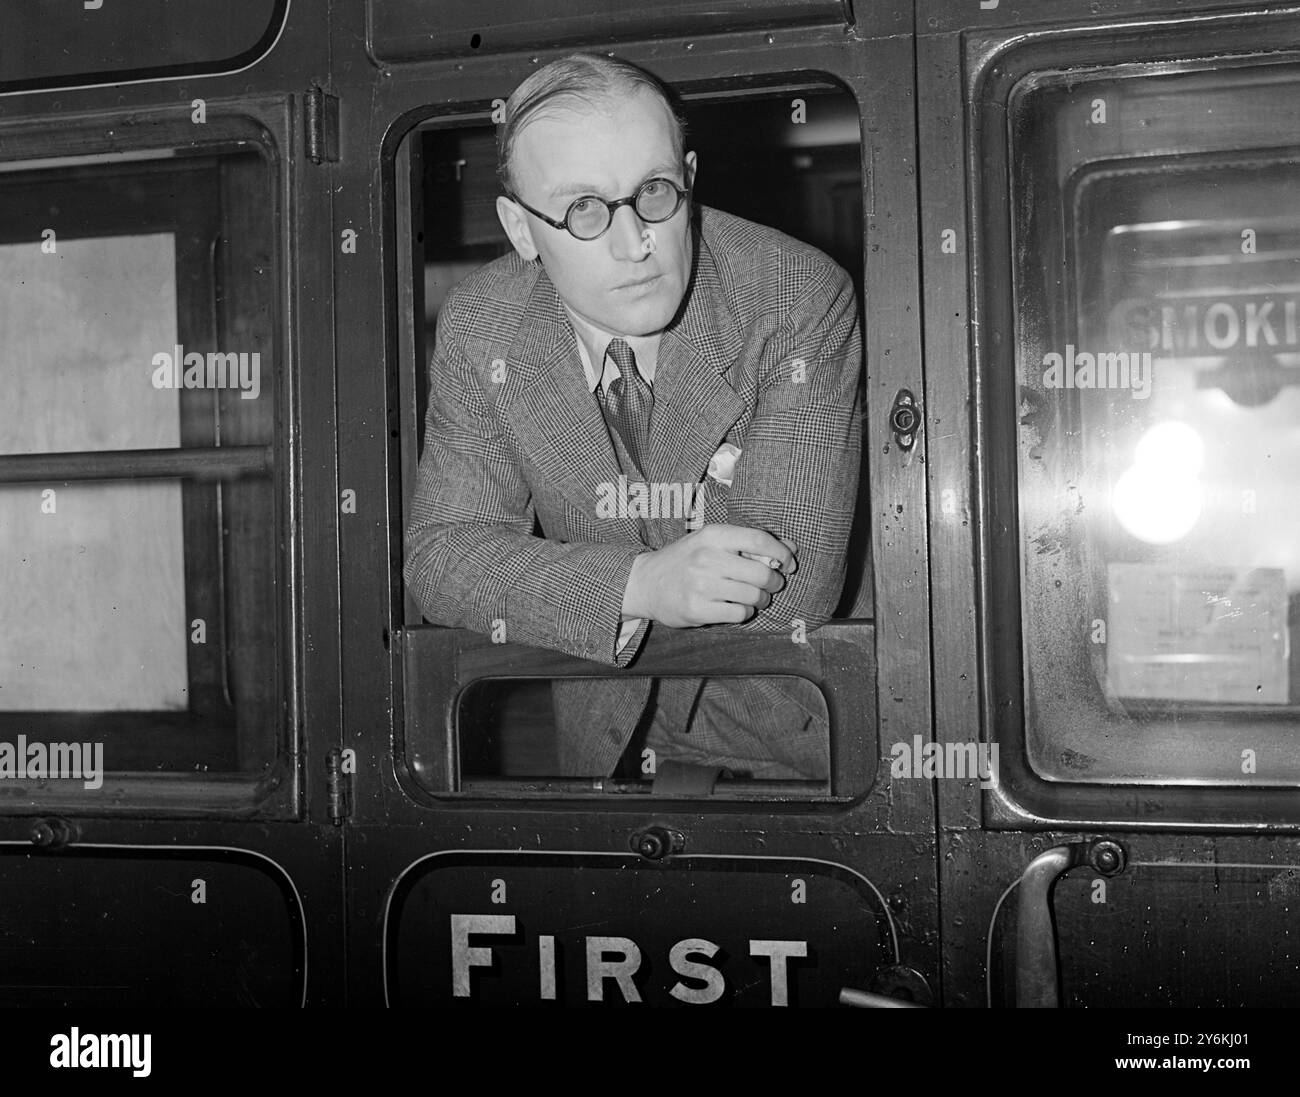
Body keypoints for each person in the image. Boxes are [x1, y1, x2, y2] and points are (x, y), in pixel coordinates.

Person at [404, 53, 862, 782]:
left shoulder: (794, 297)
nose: (635, 243)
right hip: (605, 743)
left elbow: (787, 590)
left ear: (687, 176)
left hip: (800, 743)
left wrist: (541, 576)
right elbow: (441, 556)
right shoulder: (481, 325)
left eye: (654, 192)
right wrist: (641, 584)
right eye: (584, 208)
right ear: (521, 230)